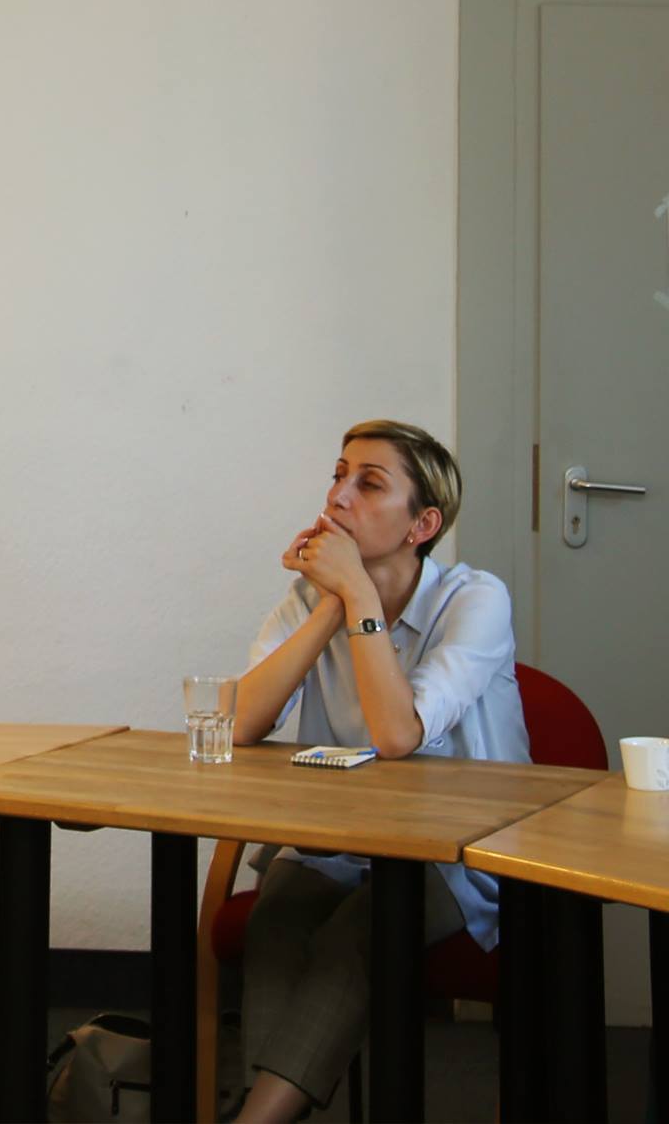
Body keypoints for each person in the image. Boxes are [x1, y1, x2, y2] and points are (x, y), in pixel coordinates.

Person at [230, 420, 527, 1123]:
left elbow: (398, 735)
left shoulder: (476, 600)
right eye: (339, 475)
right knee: (274, 920)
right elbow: (239, 722)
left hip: (458, 851)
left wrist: (357, 597)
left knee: (361, 933)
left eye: (368, 484)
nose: (338, 496)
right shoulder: (311, 598)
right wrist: (331, 603)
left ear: (422, 525)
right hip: (339, 841)